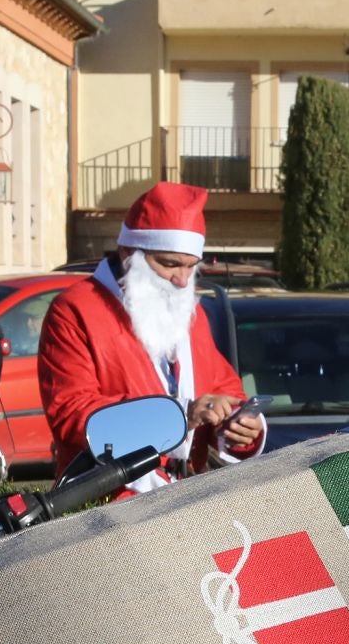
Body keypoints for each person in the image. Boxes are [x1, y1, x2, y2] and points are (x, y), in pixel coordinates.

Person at [38, 182, 265, 488]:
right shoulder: (74, 310)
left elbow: (223, 388)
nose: (182, 281)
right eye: (170, 264)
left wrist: (239, 426)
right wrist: (179, 415)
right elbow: (73, 415)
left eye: (191, 267)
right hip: (110, 502)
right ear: (129, 252)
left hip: (184, 496)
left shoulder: (190, 314)